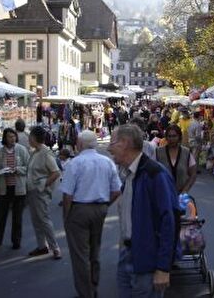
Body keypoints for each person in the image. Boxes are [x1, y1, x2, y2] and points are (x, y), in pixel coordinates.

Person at [108, 124, 180, 298]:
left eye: (113, 142)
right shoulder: (130, 174)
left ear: (125, 143)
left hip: (147, 260)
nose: (109, 148)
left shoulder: (155, 174)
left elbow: (170, 222)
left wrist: (163, 268)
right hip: (128, 254)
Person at [61, 130, 122, 298]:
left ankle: (85, 293)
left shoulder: (75, 163)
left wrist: (67, 216)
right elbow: (116, 191)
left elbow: (68, 195)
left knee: (80, 254)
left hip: (80, 209)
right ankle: (93, 285)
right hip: (100, 209)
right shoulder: (107, 162)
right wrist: (104, 205)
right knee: (94, 250)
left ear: (80, 144)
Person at [0, 129, 30, 251]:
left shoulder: (22, 150)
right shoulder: (0, 152)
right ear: (5, 138)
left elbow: (29, 167)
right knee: (1, 217)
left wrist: (17, 169)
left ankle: (16, 241)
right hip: (5, 188)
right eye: (9, 137)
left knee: (17, 217)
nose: (12, 139)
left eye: (13, 136)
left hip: (18, 188)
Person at [26, 126, 62, 259]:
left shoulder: (45, 153)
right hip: (33, 191)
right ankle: (42, 246)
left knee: (44, 220)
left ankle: (55, 248)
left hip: (40, 192)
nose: (28, 138)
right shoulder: (35, 152)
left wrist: (42, 185)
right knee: (36, 220)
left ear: (34, 138)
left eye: (30, 136)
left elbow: (56, 172)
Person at [155, 125, 197, 194]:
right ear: (166, 137)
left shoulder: (186, 152)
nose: (171, 139)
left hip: (180, 196)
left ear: (179, 137)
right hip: (162, 195)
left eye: (174, 136)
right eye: (169, 136)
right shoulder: (158, 152)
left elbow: (193, 174)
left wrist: (185, 190)